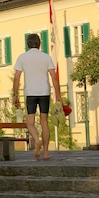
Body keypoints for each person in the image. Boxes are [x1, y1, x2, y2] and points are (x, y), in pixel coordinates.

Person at [12, 33, 61, 161]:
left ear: (27, 44)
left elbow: (16, 78)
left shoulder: (22, 58)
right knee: (44, 122)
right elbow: (54, 76)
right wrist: (58, 94)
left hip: (31, 93)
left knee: (30, 123)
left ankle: (37, 140)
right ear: (40, 44)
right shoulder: (46, 57)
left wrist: (15, 95)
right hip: (44, 92)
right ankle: (45, 153)